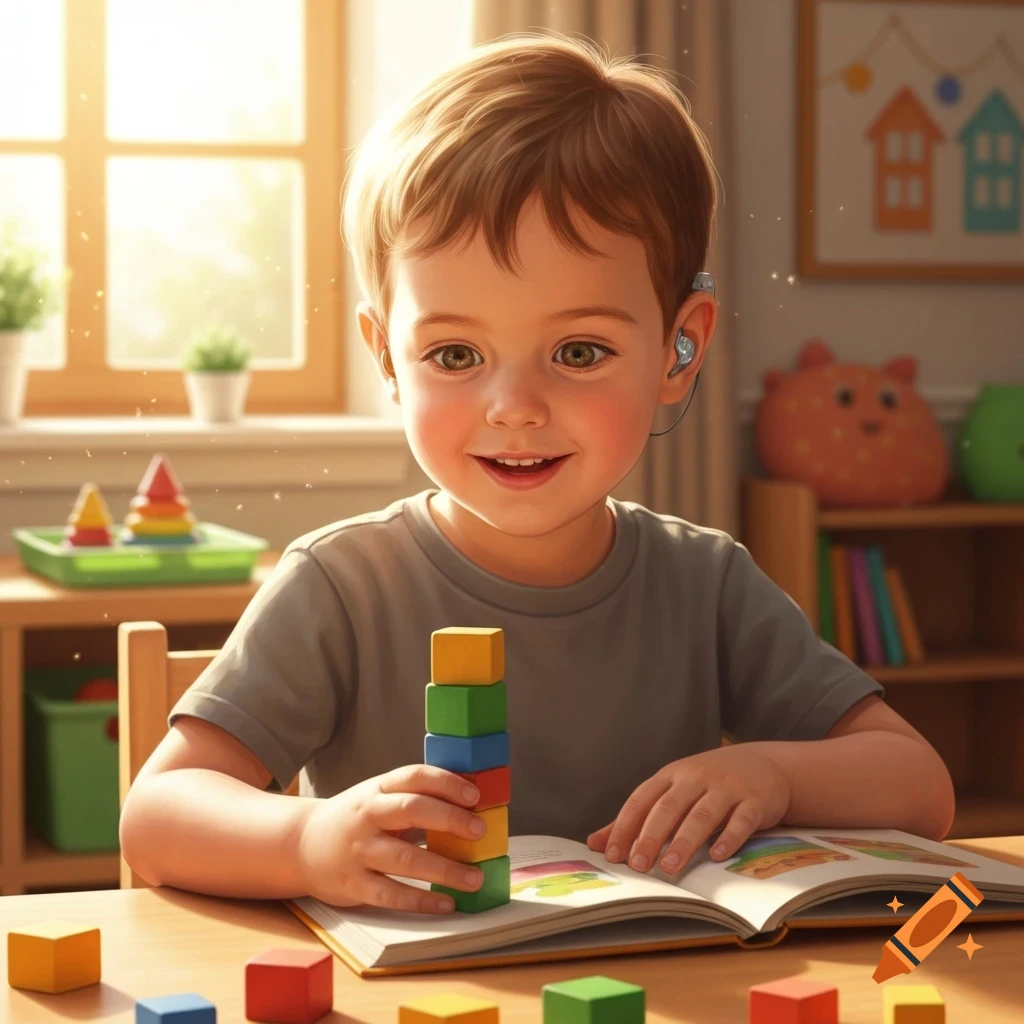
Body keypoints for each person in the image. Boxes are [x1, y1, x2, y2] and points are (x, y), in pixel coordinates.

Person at [118, 32, 955, 915]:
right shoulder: (342, 583)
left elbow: (919, 786)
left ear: (681, 347)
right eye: (454, 353)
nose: (513, 406)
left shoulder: (706, 583)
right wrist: (307, 841)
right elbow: (159, 816)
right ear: (387, 357)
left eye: (579, 350)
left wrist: (773, 773)